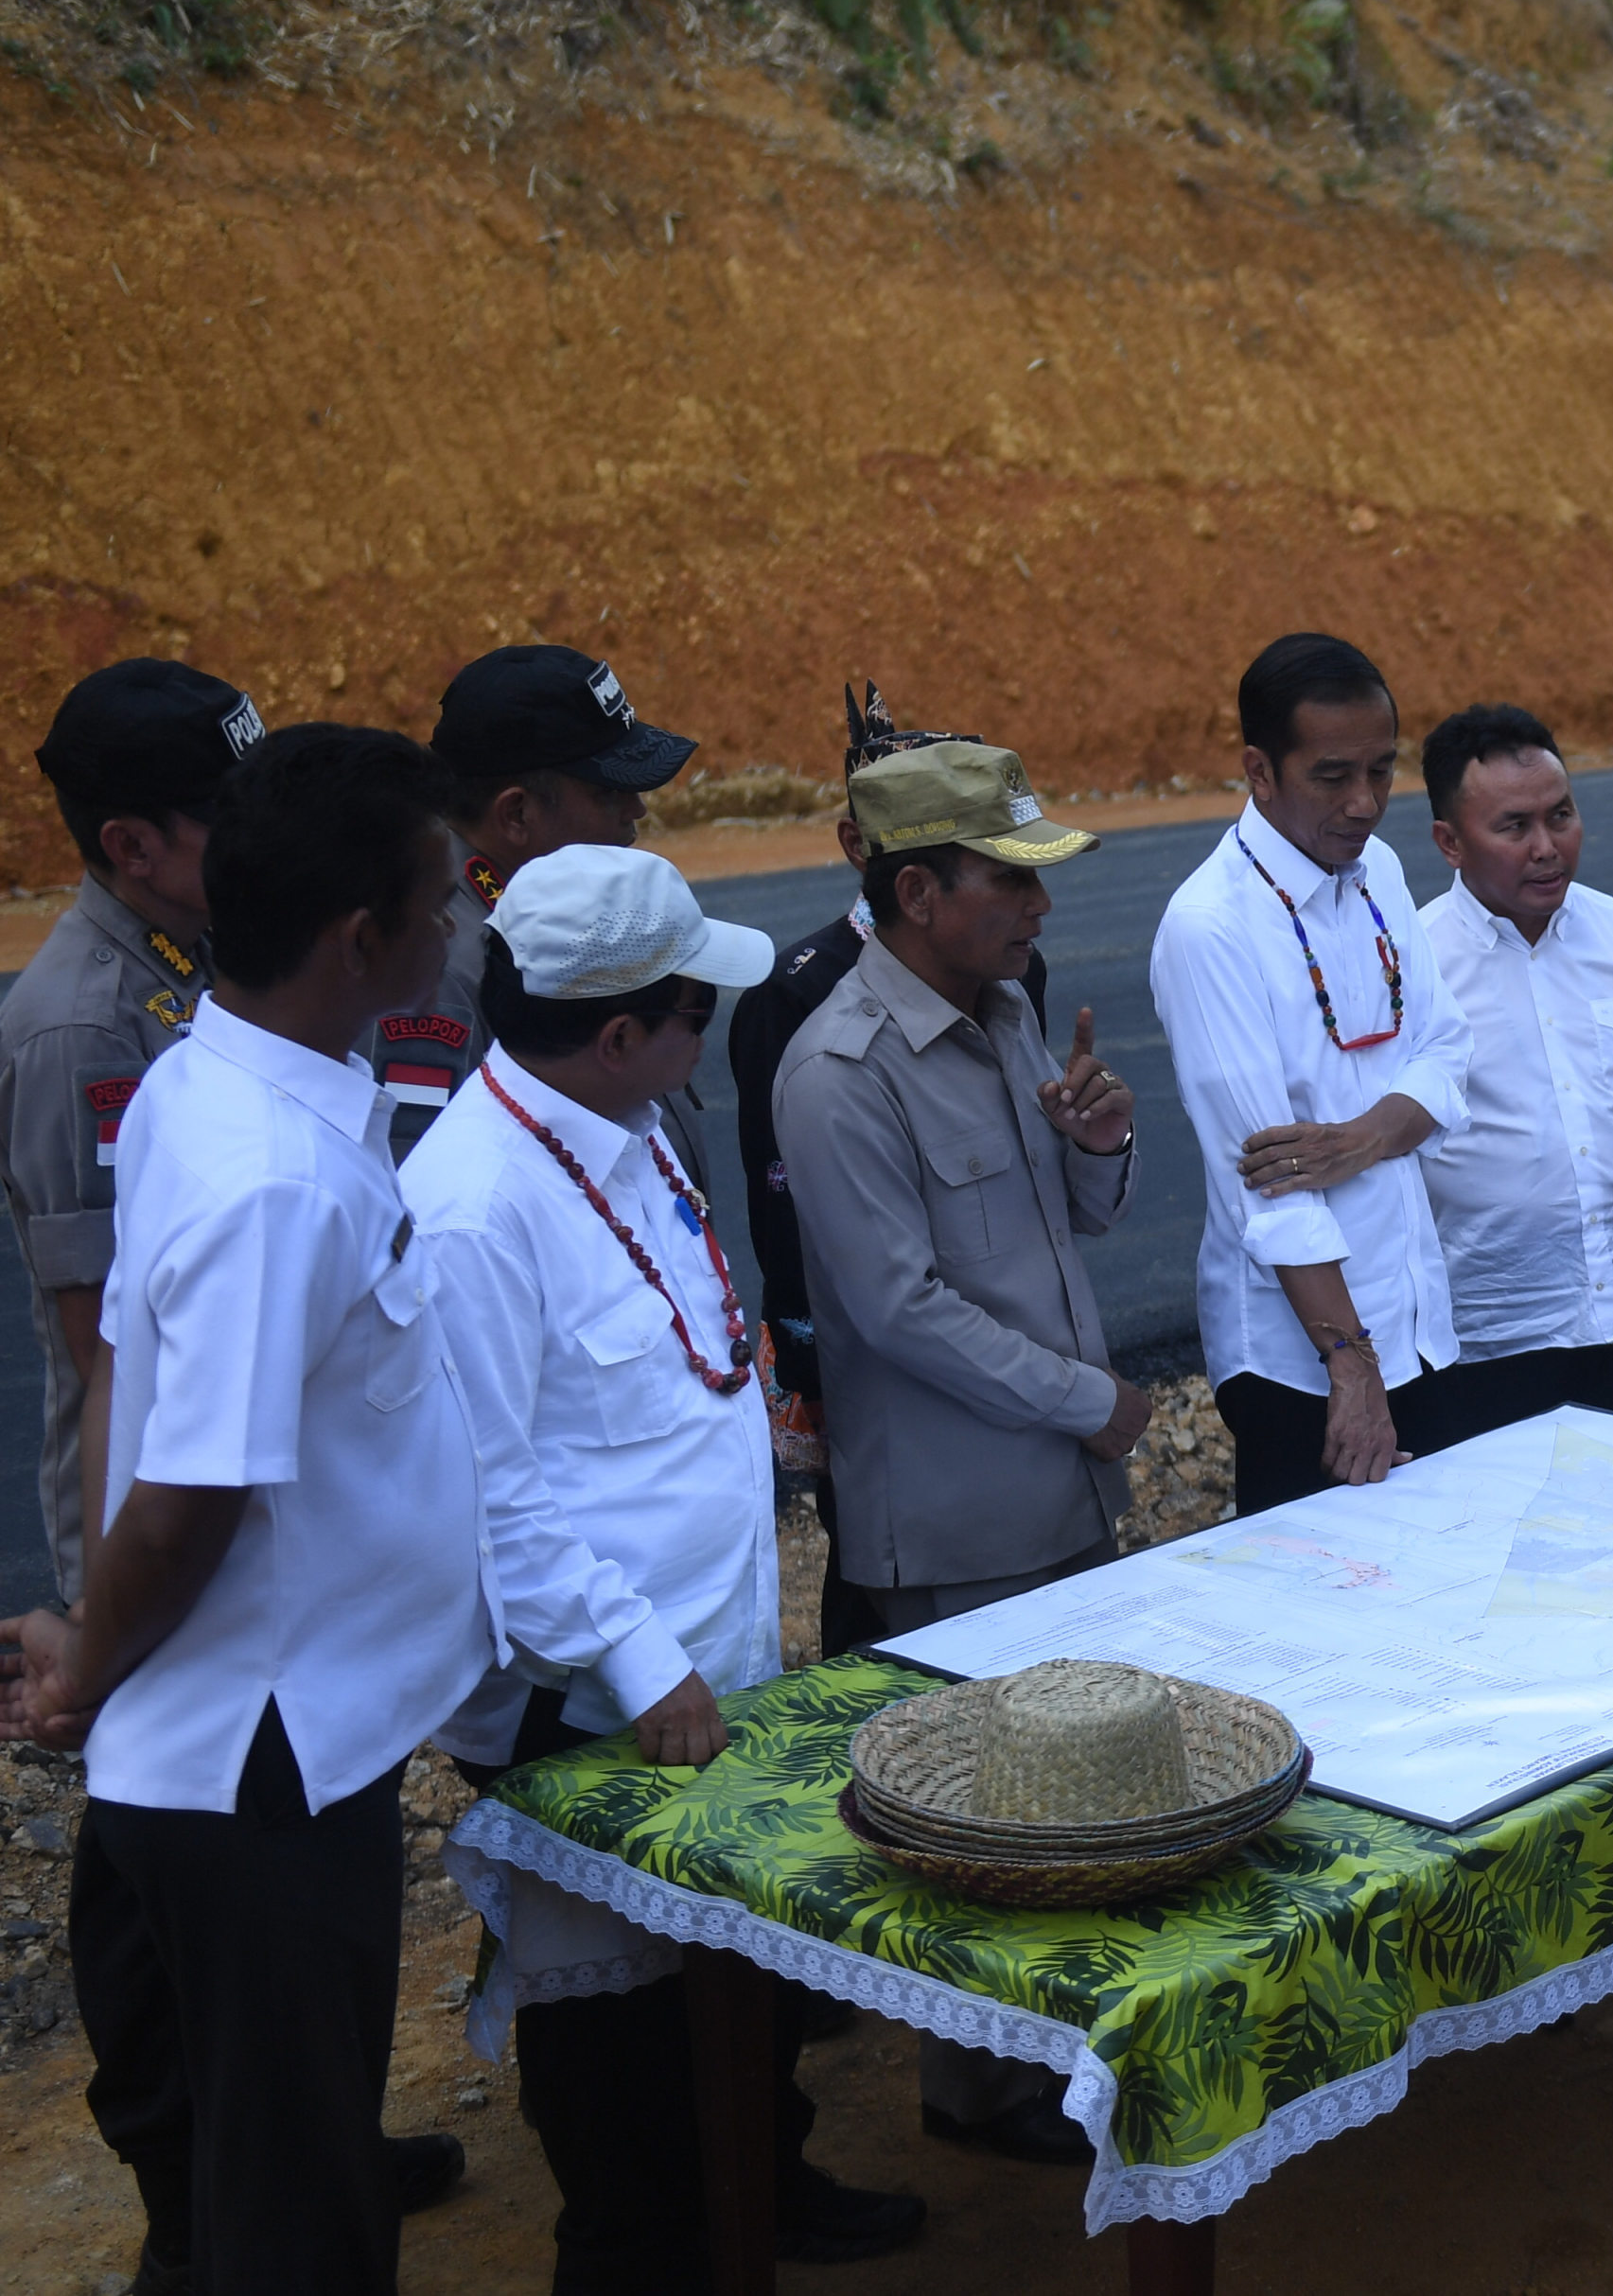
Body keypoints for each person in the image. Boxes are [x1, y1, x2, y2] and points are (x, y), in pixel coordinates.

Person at [0, 727, 524, 2288]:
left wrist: (96, 1641)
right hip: (265, 1769)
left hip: (259, 1740)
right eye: (442, 899)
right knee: (299, 2218)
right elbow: (187, 1493)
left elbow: (122, 1375)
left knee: (244, 2170)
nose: (457, 927)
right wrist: (89, 1663)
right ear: (361, 938)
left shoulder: (214, 1082)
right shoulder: (276, 1177)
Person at [402, 845, 926, 2284]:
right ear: (623, 1030)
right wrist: (636, 1662)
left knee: (733, 1958)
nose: (713, 1035)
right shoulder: (474, 1206)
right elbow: (489, 1495)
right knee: (616, 2021)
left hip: (707, 1655)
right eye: (697, 1011)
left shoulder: (626, 1124)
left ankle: (762, 2183)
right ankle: (640, 2249)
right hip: (594, 1692)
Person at [769, 737, 1142, 2163]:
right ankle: (980, 2092)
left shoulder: (1003, 1014)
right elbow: (899, 1310)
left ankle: (1054, 2060)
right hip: (956, 1508)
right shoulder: (841, 1069)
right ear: (918, 891)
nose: (1038, 907)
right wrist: (1085, 1400)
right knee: (987, 1811)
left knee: (1073, 1785)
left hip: (1054, 1482)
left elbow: (1075, 1219)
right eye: (1010, 881)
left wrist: (1098, 1141)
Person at [730, 684, 1045, 1656]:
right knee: (882, 1581)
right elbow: (781, 1203)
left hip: (1006, 1337)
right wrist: (809, 1366)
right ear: (858, 845)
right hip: (871, 1352)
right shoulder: (799, 994)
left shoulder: (1012, 968)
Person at [1151, 635, 1475, 1507]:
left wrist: (1364, 1139)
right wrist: (1352, 1365)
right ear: (1260, 771)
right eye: (1333, 776)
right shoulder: (1210, 926)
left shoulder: (1380, 872)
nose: (1365, 802)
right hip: (1306, 1367)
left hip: (1419, 1330)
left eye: (1382, 769)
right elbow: (1274, 1188)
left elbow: (1449, 1052)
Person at [0, 661, 261, 1611]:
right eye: (233, 816)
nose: (266, 834)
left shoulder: (207, 946)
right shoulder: (82, 1031)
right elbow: (104, 1330)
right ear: (132, 845)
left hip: (227, 1474)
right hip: (161, 1512)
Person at [1405, 704, 1613, 1441]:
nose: (1548, 848)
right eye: (1514, 826)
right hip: (1489, 1334)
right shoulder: (1413, 967)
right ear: (1450, 841)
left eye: (1561, 815)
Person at [389, 644, 701, 1166]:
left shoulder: (569, 913)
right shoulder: (441, 964)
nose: (637, 810)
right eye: (608, 792)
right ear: (517, 814)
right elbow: (421, 1179)